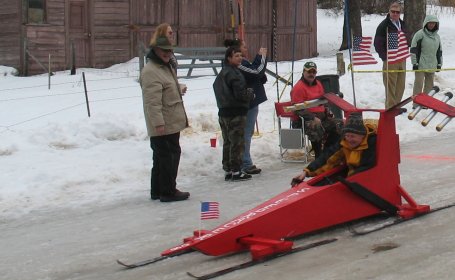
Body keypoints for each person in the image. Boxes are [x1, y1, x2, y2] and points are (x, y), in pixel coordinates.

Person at [140, 36, 190, 202]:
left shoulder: (164, 67)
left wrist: (178, 88)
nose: (168, 53)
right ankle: (168, 191)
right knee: (169, 157)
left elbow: (165, 89)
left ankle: (158, 190)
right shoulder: (151, 71)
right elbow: (152, 102)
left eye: (170, 50)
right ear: (155, 50)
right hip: (164, 123)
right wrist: (158, 124)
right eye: (164, 50)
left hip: (170, 121)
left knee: (162, 157)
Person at [292, 112, 377, 184]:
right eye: (347, 135)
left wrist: (347, 182)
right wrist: (306, 171)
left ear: (362, 135)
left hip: (366, 183)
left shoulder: (372, 143)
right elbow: (328, 158)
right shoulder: (344, 142)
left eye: (353, 136)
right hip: (352, 181)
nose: (349, 139)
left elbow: (367, 167)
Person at [224, 39, 268, 175]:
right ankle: (244, 163)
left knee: (245, 133)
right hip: (246, 104)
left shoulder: (242, 63)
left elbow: (255, 75)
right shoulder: (238, 64)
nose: (246, 49)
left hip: (249, 102)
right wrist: (261, 57)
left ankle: (241, 162)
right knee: (245, 134)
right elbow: (256, 72)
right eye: (243, 47)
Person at [213, 46, 255, 181]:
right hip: (236, 113)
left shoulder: (222, 73)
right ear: (229, 58)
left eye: (240, 55)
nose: (240, 58)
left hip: (223, 112)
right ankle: (236, 171)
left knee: (227, 142)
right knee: (237, 142)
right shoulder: (234, 74)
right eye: (236, 56)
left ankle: (228, 170)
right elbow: (240, 94)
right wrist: (250, 93)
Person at [290, 61, 342, 158]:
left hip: (321, 116)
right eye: (309, 72)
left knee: (339, 124)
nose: (311, 74)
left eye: (314, 72)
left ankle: (329, 151)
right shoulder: (298, 88)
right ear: (303, 72)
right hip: (303, 120)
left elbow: (323, 101)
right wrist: (312, 117)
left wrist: (327, 112)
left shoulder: (318, 83)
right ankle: (319, 156)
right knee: (316, 125)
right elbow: (297, 109)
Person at [374, 1, 409, 109]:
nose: (395, 14)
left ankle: (396, 107)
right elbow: (378, 43)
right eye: (393, 11)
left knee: (400, 86)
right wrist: (384, 57)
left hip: (402, 59)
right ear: (389, 12)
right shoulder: (384, 25)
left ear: (400, 13)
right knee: (390, 87)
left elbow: (406, 38)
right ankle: (390, 109)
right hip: (390, 61)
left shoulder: (402, 24)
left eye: (397, 12)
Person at [410, 15, 442, 108]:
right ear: (426, 23)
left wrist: (439, 64)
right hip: (420, 64)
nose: (431, 25)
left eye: (433, 23)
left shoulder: (437, 37)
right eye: (430, 23)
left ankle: (425, 104)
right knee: (418, 85)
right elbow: (413, 49)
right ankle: (416, 104)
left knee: (429, 86)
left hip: (432, 64)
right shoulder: (419, 34)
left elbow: (439, 51)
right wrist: (414, 63)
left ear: (436, 24)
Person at [148, 23, 187, 94]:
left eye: (172, 32)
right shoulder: (157, 56)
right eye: (170, 32)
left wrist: (177, 87)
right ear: (162, 33)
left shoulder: (170, 53)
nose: (172, 34)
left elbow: (168, 80)